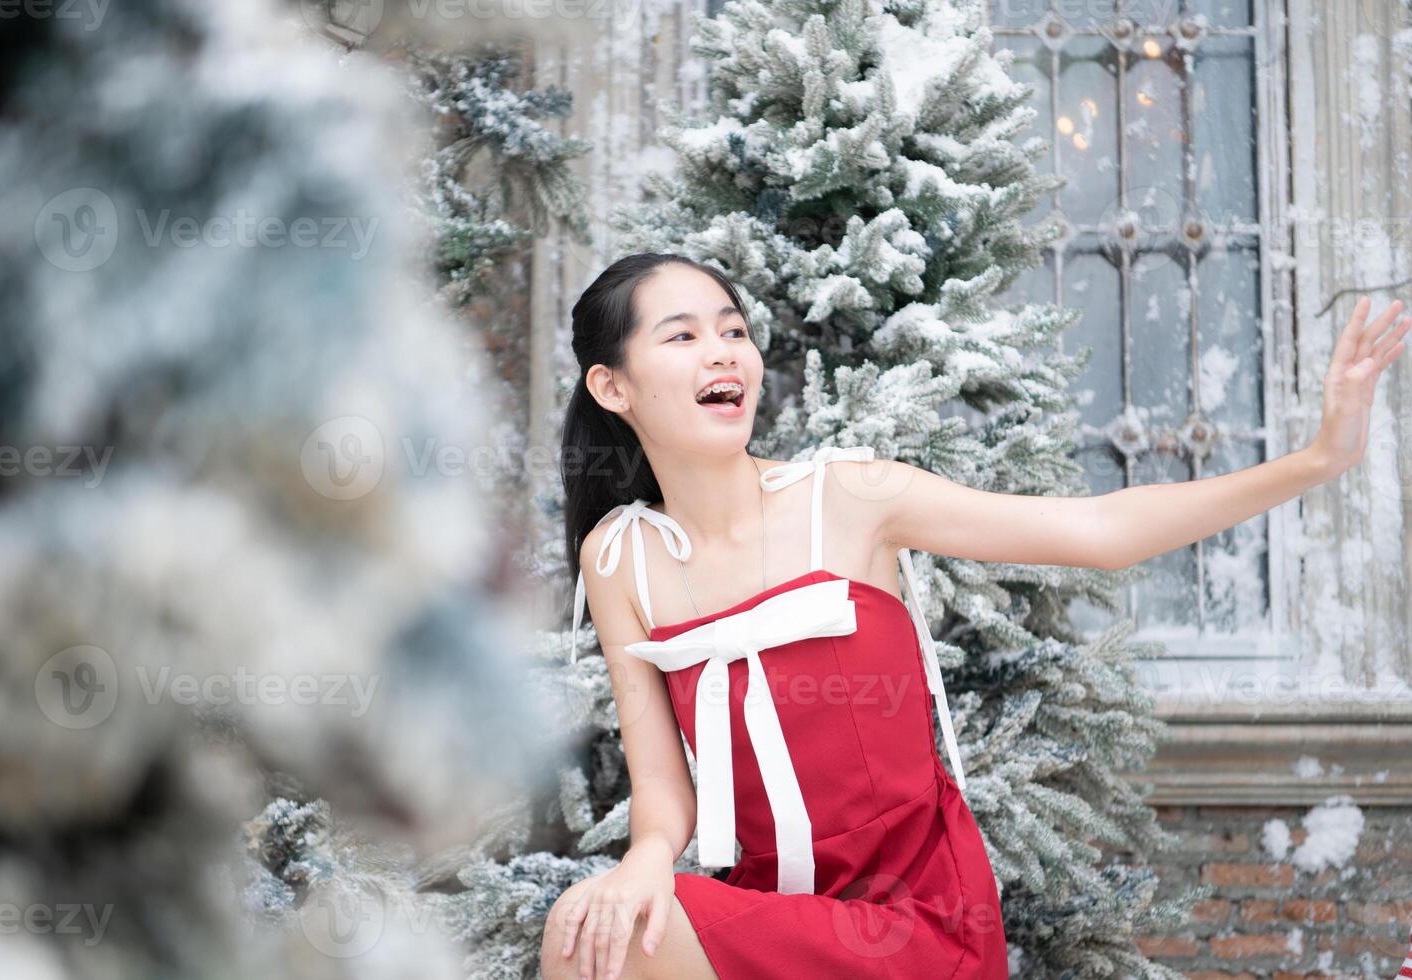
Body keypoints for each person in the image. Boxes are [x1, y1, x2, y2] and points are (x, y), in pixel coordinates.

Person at [541, 252, 1408, 980]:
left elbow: (1100, 531)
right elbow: (662, 792)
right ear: (612, 385)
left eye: (732, 329)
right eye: (682, 336)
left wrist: (1316, 460)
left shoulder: (847, 497)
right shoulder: (619, 557)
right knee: (587, 940)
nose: (722, 353)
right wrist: (645, 863)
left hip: (916, 916)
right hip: (768, 909)